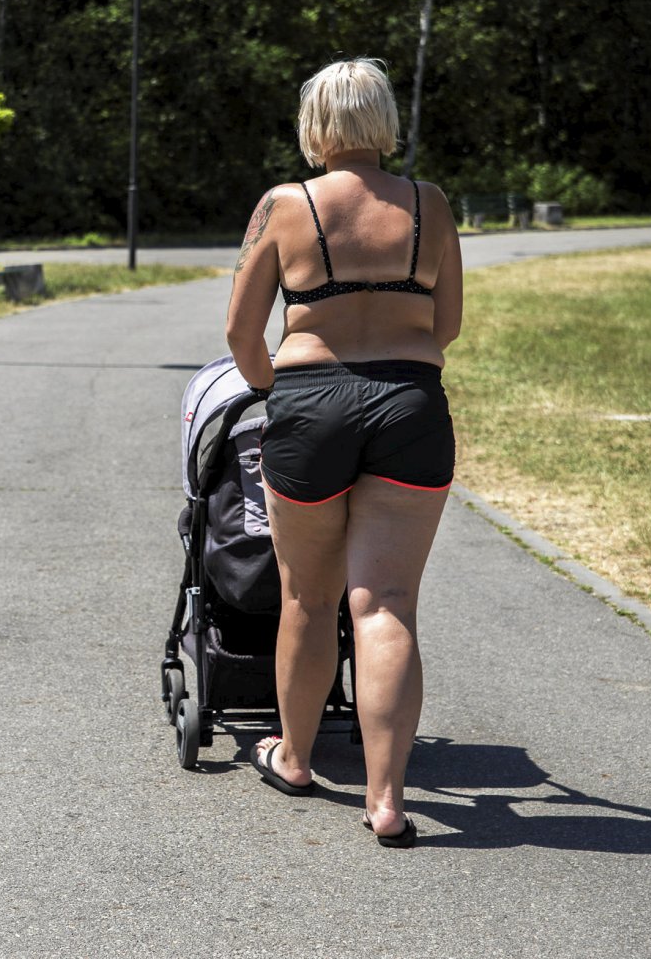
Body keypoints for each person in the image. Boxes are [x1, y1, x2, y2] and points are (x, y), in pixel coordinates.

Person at [224, 58, 463, 848]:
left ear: (316, 125)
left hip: (310, 403)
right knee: (386, 601)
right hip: (409, 400)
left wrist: (276, 392)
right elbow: (446, 326)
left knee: (308, 597)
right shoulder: (430, 205)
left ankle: (294, 756)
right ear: (384, 119)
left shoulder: (284, 206)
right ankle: (387, 798)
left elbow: (239, 332)